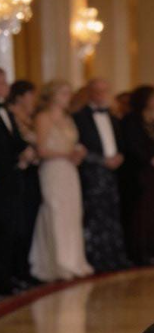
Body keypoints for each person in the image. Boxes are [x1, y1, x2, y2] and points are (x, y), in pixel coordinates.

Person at [28, 80, 94, 283]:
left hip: (69, 170)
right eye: (63, 93)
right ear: (52, 95)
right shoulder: (43, 117)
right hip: (53, 169)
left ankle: (73, 260)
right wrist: (66, 154)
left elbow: (71, 144)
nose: (68, 97)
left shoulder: (67, 118)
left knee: (72, 213)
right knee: (55, 211)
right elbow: (41, 149)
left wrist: (77, 154)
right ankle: (57, 262)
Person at [73, 78, 131, 272]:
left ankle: (114, 255)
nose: (101, 95)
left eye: (105, 91)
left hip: (113, 172)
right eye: (97, 91)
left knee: (112, 213)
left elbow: (120, 143)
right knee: (95, 215)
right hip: (93, 173)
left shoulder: (113, 117)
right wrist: (101, 160)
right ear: (89, 93)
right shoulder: (79, 117)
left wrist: (120, 156)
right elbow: (79, 146)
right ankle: (97, 257)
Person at [121, 85, 154, 266]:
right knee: (141, 214)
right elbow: (133, 145)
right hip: (141, 174)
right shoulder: (131, 120)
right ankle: (140, 252)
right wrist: (151, 160)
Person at [5, 78, 40, 292]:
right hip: (16, 175)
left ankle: (20, 271)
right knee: (15, 227)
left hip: (28, 176)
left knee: (24, 225)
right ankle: (12, 274)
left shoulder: (21, 117)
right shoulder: (11, 114)